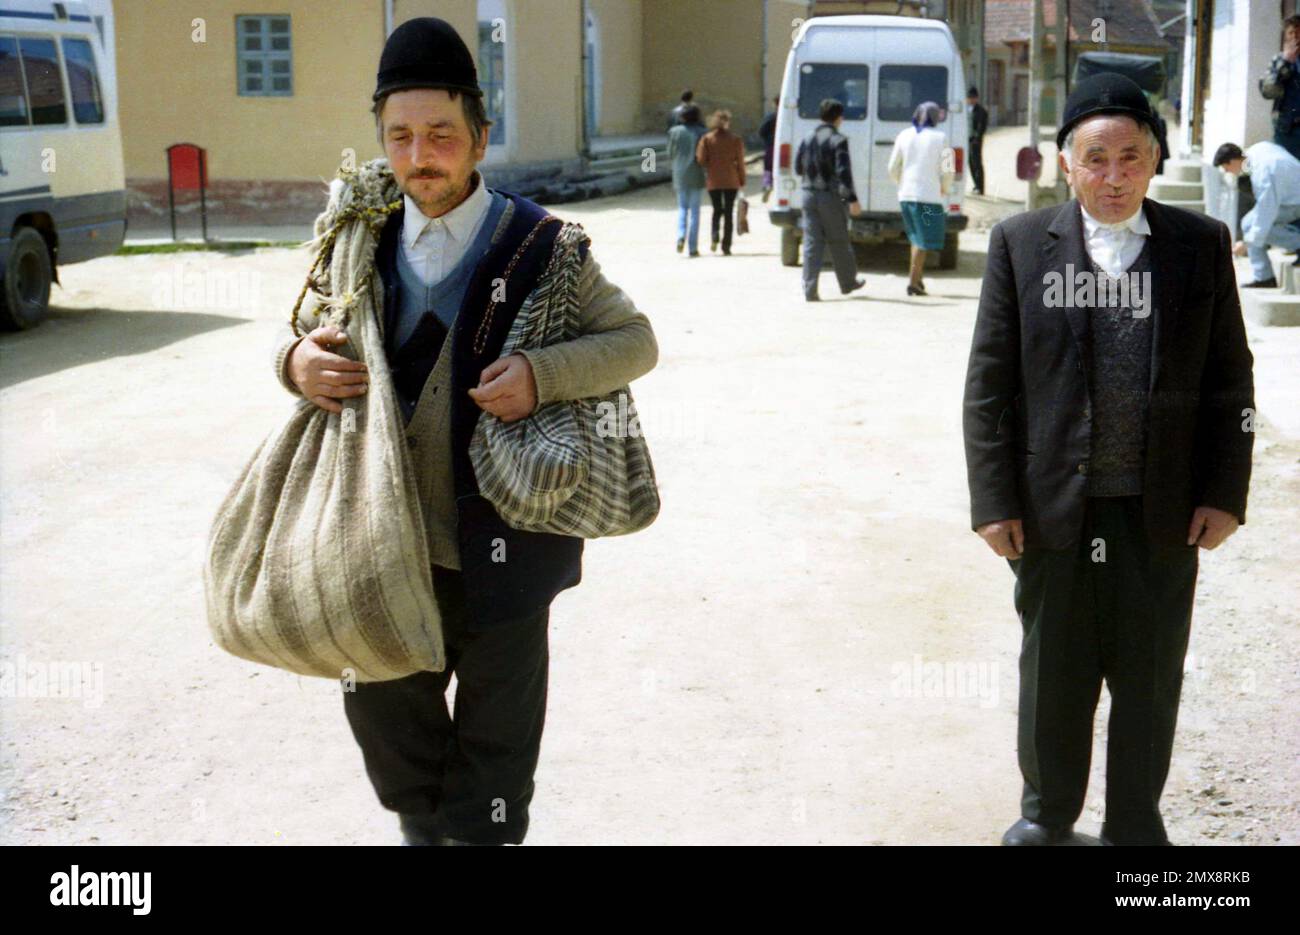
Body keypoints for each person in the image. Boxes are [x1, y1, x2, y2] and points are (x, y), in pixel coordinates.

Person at [270, 17, 658, 846]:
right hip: (379, 549)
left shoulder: (544, 247)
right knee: (388, 729)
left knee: (494, 770)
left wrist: (542, 374)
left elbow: (636, 341)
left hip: (507, 555)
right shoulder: (357, 239)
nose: (420, 156)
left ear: (480, 138)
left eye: (441, 134)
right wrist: (295, 364)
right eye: (400, 136)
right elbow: (301, 331)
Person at [963, 73, 1254, 847]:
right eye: (1097, 159)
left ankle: (1134, 827)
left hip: (1160, 514)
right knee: (1053, 676)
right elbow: (988, 387)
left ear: (1155, 160)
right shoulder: (1022, 246)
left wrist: (1226, 492)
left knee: (1149, 680)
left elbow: (1232, 378)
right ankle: (1047, 819)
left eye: (1131, 157)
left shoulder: (1196, 246)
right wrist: (994, 501)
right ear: (1066, 165)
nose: (1114, 176)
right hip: (1055, 512)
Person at [794, 98, 866, 301]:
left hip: (808, 194)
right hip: (829, 196)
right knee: (838, 240)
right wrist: (852, 199)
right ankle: (848, 282)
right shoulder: (838, 139)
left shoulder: (807, 137)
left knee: (811, 242)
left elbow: (798, 167)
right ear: (838, 117)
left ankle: (810, 289)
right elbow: (844, 172)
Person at [1214, 139, 1300, 288]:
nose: (1228, 172)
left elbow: (1266, 211)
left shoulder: (1262, 172)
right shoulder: (1257, 150)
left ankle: (1265, 276)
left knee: (1253, 229)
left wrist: (1247, 243)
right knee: (1249, 224)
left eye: (1226, 167)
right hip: (1291, 195)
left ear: (1232, 161)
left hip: (1295, 201)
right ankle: (1264, 275)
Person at [889, 101, 951, 295]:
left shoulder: (904, 135)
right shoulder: (942, 138)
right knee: (923, 243)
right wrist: (944, 188)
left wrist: (902, 183)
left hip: (906, 195)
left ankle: (918, 277)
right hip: (929, 197)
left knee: (916, 239)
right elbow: (948, 170)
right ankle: (913, 283)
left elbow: (892, 167)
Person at [694, 109, 746, 255]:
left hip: (714, 179)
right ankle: (726, 245)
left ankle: (714, 235)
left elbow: (701, 160)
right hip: (731, 179)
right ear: (728, 122)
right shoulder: (736, 140)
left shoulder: (706, 139)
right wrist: (742, 179)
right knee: (729, 212)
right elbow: (741, 162)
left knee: (717, 210)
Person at [668, 103, 708, 256]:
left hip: (679, 174)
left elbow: (670, 153)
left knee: (682, 209)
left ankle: (680, 236)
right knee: (695, 212)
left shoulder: (674, 132)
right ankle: (692, 247)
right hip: (697, 174)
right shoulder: (702, 132)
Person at [1259, 14, 1300, 161]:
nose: (1295, 37)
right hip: (1286, 130)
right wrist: (1286, 63)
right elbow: (1268, 91)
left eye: (1298, 32)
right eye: (1291, 33)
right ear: (1286, 36)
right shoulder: (1278, 60)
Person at [966, 85, 988, 195]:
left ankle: (980, 187)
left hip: (975, 141)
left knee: (977, 163)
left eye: (973, 97)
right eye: (969, 97)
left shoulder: (981, 111)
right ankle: (976, 185)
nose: (971, 99)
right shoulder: (966, 109)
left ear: (977, 98)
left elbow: (981, 127)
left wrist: (977, 138)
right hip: (967, 139)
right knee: (970, 163)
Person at [759, 96, 779, 202]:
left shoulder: (771, 117)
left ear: (775, 104)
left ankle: (767, 184)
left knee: (768, 169)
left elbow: (761, 131)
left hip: (771, 147)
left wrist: (767, 140)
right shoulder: (789, 116)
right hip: (786, 147)